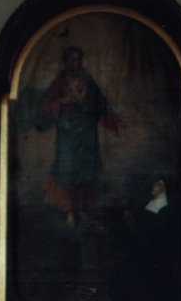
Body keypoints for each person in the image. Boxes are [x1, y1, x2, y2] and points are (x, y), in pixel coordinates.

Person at [37, 46, 121, 228]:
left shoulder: (88, 81)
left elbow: (100, 103)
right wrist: (63, 101)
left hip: (87, 134)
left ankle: (80, 209)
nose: (76, 64)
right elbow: (44, 107)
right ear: (66, 62)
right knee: (67, 171)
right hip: (67, 134)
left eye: (78, 60)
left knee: (86, 172)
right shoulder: (59, 82)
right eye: (72, 60)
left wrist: (111, 118)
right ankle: (69, 210)